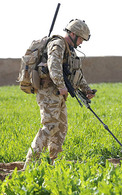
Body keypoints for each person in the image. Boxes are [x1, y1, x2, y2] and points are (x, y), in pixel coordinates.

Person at [24, 19, 95, 169]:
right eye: (81, 38)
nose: (81, 42)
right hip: (49, 91)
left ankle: (54, 162)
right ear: (73, 34)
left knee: (61, 127)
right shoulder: (58, 44)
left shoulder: (71, 50)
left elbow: (77, 74)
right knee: (49, 126)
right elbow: (53, 65)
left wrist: (86, 90)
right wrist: (62, 86)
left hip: (59, 93)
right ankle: (30, 165)